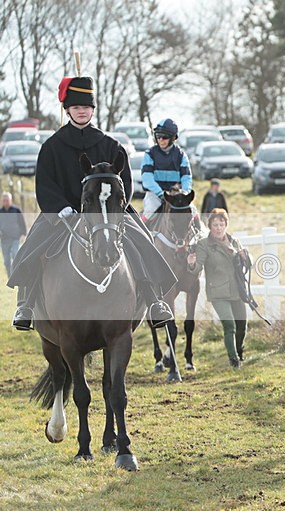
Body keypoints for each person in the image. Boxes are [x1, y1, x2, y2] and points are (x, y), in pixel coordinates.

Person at [8, 76, 176, 330]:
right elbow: (44, 184)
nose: (82, 111)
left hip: (108, 212)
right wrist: (61, 208)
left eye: (86, 107)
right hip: (63, 213)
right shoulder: (52, 147)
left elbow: (125, 182)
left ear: (93, 110)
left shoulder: (111, 145)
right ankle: (27, 304)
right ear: (67, 110)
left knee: (141, 241)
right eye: (76, 107)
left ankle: (154, 301)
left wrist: (116, 208)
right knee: (34, 245)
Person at [187, 208, 248, 369]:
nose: (219, 228)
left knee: (242, 325)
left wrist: (245, 257)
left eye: (221, 224)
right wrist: (192, 264)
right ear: (210, 226)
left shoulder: (234, 241)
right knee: (229, 325)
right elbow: (198, 267)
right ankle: (234, 360)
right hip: (218, 291)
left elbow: (246, 265)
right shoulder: (204, 244)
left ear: (226, 225)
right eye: (215, 225)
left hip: (237, 289)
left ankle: (239, 351)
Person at [140, 118, 192, 222]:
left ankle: (199, 231)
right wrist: (160, 193)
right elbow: (147, 179)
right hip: (155, 195)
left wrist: (185, 192)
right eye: (158, 136)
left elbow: (186, 177)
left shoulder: (181, 155)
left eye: (164, 137)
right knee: (150, 210)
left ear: (172, 138)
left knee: (194, 212)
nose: (160, 140)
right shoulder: (149, 154)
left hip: (176, 195)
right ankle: (138, 230)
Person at [0, 192, 27, 278]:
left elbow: (22, 222)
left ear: (10, 200)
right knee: (6, 261)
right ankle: (10, 277)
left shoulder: (16, 210)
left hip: (15, 238)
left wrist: (24, 234)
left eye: (7, 200)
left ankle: (16, 276)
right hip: (4, 240)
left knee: (15, 256)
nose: (5, 202)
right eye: (4, 200)